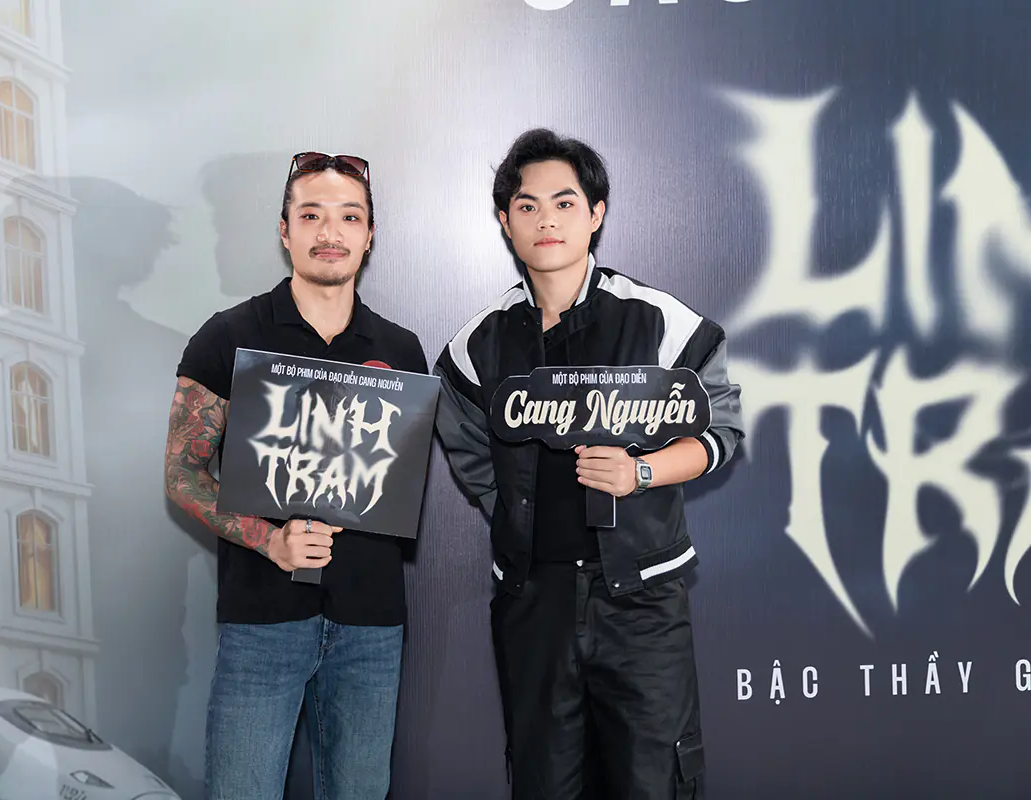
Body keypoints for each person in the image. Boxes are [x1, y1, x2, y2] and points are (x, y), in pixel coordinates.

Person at [433, 128, 745, 799]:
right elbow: (468, 448)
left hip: (641, 602)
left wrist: (640, 473)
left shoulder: (661, 322)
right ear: (505, 221)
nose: (546, 219)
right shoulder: (476, 344)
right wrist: (518, 516)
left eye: (565, 203)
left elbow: (721, 430)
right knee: (544, 782)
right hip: (534, 604)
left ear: (596, 214)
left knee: (654, 782)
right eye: (527, 205)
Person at [164, 151, 428, 799]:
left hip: (371, 624)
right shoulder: (228, 336)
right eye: (311, 215)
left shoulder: (401, 350)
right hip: (262, 620)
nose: (329, 232)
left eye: (349, 217)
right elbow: (182, 473)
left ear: (369, 235)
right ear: (285, 230)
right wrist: (269, 539)